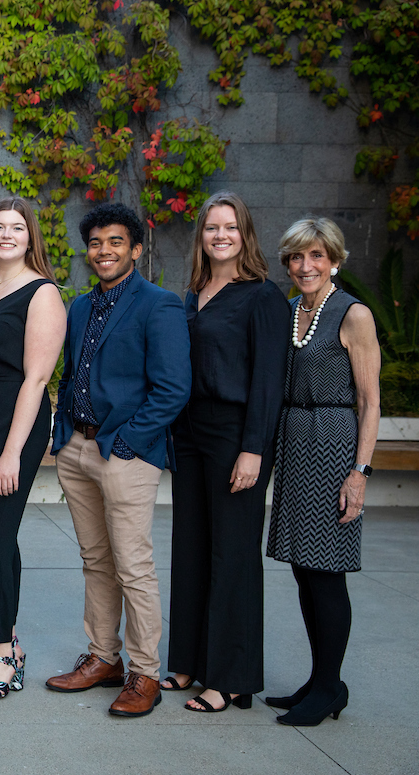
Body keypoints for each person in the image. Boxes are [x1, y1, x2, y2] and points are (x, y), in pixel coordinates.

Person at [45, 202, 190, 718]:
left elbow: (173, 388)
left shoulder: (159, 305)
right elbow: (70, 373)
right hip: (77, 448)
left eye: (115, 242)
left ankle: (144, 672)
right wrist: (64, 433)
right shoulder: (80, 306)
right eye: (96, 243)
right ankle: (103, 657)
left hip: (125, 453)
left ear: (136, 249)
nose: (104, 251)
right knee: (96, 560)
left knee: (132, 565)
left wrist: (127, 441)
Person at [162, 192, 290, 713]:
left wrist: (253, 449)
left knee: (232, 554)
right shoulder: (194, 294)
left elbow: (269, 382)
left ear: (245, 234)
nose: (221, 236)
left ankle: (231, 677)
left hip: (236, 434)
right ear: (202, 236)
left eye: (230, 227)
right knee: (191, 547)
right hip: (191, 433)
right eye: (212, 227)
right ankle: (190, 661)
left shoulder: (263, 297)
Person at [264, 217, 380, 727]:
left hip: (332, 442)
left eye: (316, 255)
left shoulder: (353, 314)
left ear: (334, 260)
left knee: (326, 573)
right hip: (294, 441)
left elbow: (370, 401)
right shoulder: (291, 310)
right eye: (296, 256)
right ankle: (318, 680)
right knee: (303, 570)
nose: (305, 265)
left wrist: (360, 472)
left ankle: (331, 687)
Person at [0, 198, 65, 702]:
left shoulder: (42, 293)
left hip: (11, 420)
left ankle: (4, 653)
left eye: (17, 227)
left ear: (30, 237)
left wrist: (12, 452)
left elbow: (37, 379)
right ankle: (3, 643)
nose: (6, 234)